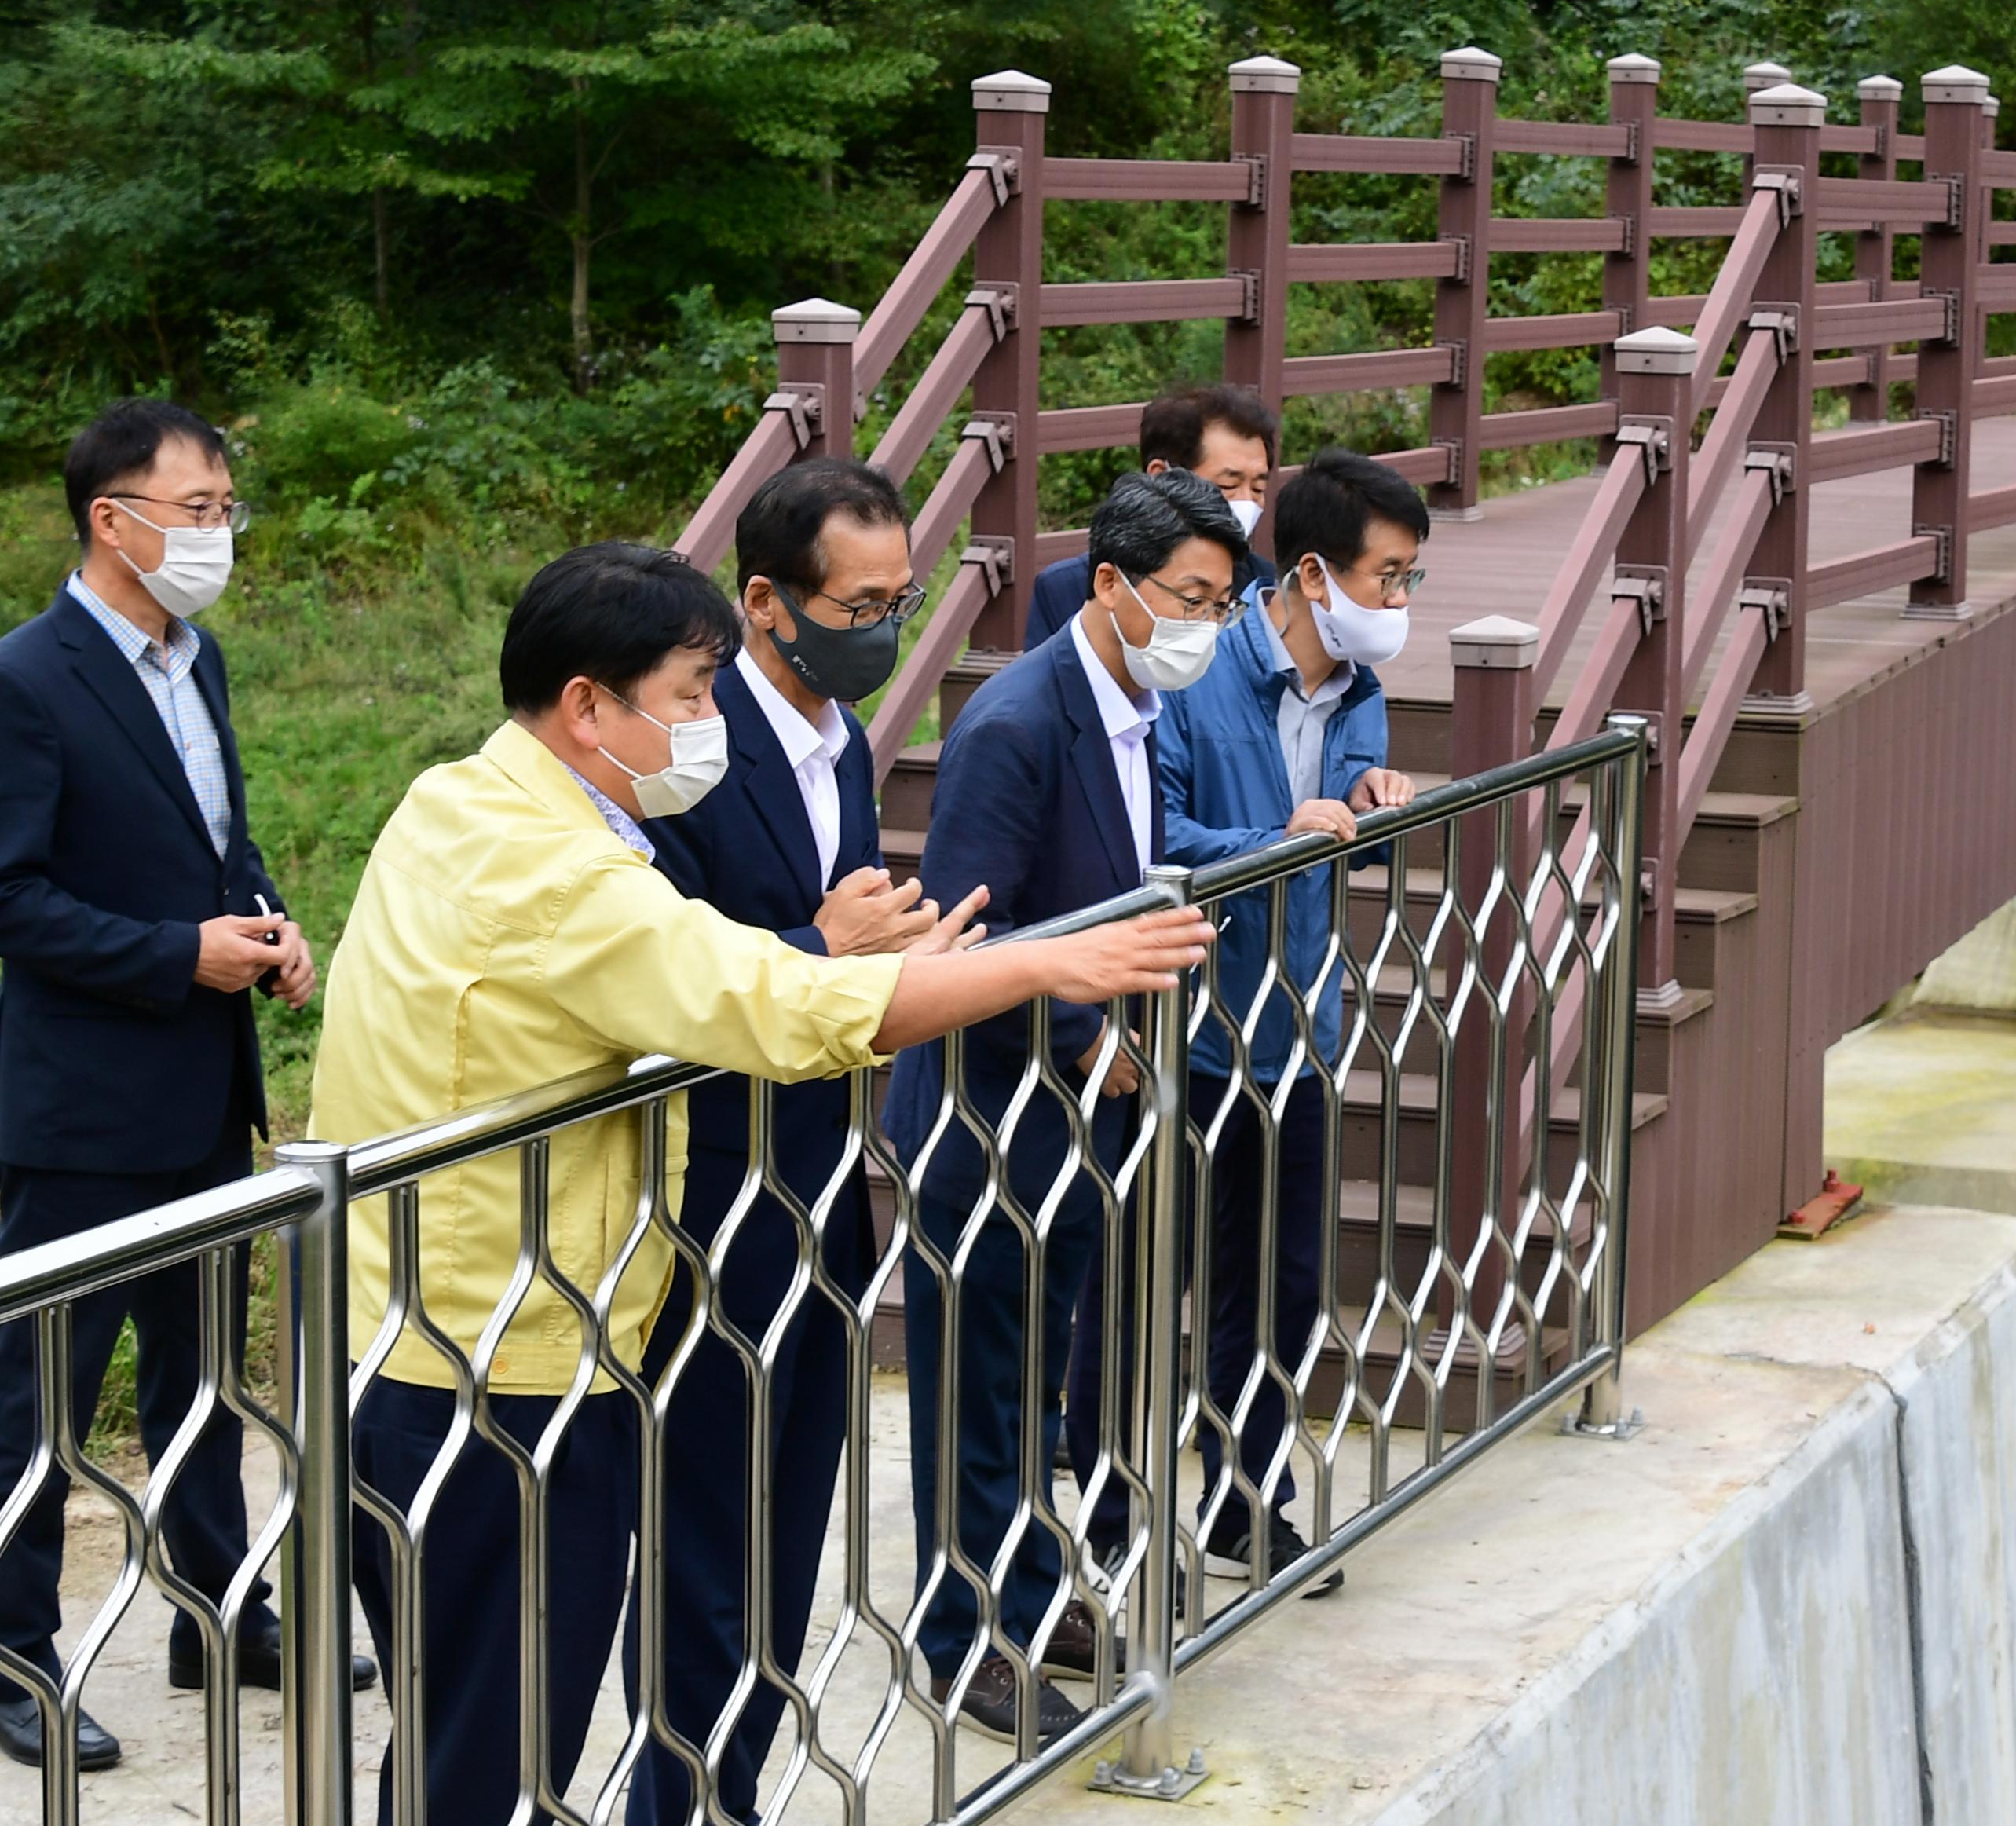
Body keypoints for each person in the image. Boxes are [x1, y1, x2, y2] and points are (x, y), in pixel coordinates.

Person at [309, 541, 1209, 1826]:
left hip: (426, 1331)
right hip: (497, 1360)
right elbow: (772, 1003)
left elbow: (714, 971)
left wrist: (873, 961)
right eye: (684, 694)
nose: (703, 723)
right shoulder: (557, 869)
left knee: (467, 1719)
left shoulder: (462, 799)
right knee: (499, 1740)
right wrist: (1043, 963)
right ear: (585, 704)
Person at [0, 399, 374, 1773]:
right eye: (196, 510)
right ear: (114, 520)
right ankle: (11, 1645)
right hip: (85, 1107)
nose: (219, 534)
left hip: (205, 1085)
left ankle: (222, 1609)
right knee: (40, 1385)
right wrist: (179, 954)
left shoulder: (192, 658)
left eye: (226, 509)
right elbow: (13, 897)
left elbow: (213, 830)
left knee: (203, 1374)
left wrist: (263, 920)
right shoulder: (28, 677)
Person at [880, 470, 1247, 1745]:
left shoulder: (1133, 706)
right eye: (1186, 598)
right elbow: (964, 937)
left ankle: (1031, 1589)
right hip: (992, 1107)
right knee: (975, 1382)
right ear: (1109, 585)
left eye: (1220, 603)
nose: (1204, 624)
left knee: (1037, 1373)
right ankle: (964, 1631)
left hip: (1080, 1106)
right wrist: (1090, 1037)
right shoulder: (1017, 723)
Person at [617, 461, 938, 1825]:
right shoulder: (683, 748)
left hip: (815, 1179)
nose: (882, 628)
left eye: (899, 601)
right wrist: (827, 949)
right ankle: (672, 1795)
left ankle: (732, 1785)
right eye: (858, 604)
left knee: (791, 1515)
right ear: (764, 601)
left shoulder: (837, 740)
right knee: (701, 1527)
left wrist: (877, 964)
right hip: (702, 1192)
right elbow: (666, 974)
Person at [1127, 447, 1427, 1596]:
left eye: (1408, 581)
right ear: (1313, 574)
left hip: (1300, 1031)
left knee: (1286, 1284)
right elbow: (1151, 835)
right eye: (1387, 578)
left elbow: (1338, 819)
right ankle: (1116, 1521)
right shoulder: (1197, 673)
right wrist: (1274, 839)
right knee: (1152, 1282)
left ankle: (1250, 1502)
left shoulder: (1358, 689)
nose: (1398, 606)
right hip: (1188, 1034)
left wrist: (1370, 801)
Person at [1022, 387, 1275, 645]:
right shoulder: (1065, 589)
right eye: (1228, 486)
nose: (1247, 502)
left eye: (1258, 488)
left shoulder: (1266, 592)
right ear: (1161, 475)